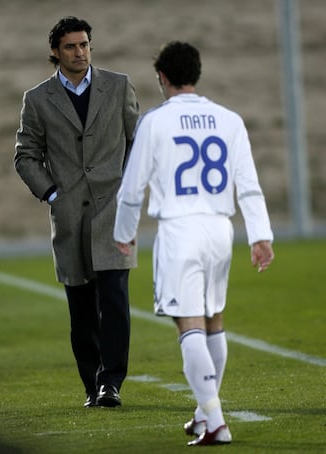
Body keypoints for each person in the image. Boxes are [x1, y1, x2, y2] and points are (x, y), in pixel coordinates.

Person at [113, 41, 274, 445]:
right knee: (213, 320)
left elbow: (133, 187)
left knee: (189, 325)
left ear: (162, 78)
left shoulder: (155, 121)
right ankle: (204, 414)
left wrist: (123, 231)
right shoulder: (230, 119)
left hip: (180, 229)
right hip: (221, 229)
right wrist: (261, 235)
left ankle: (217, 424)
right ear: (196, 74)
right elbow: (249, 186)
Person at [14, 16, 139, 408]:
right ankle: (92, 384)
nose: (80, 52)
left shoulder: (118, 86)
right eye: (70, 46)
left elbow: (139, 140)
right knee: (81, 308)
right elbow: (26, 155)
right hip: (68, 215)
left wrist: (130, 188)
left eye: (84, 44)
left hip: (113, 212)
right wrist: (52, 193)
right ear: (55, 52)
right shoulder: (37, 99)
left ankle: (111, 382)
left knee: (115, 300)